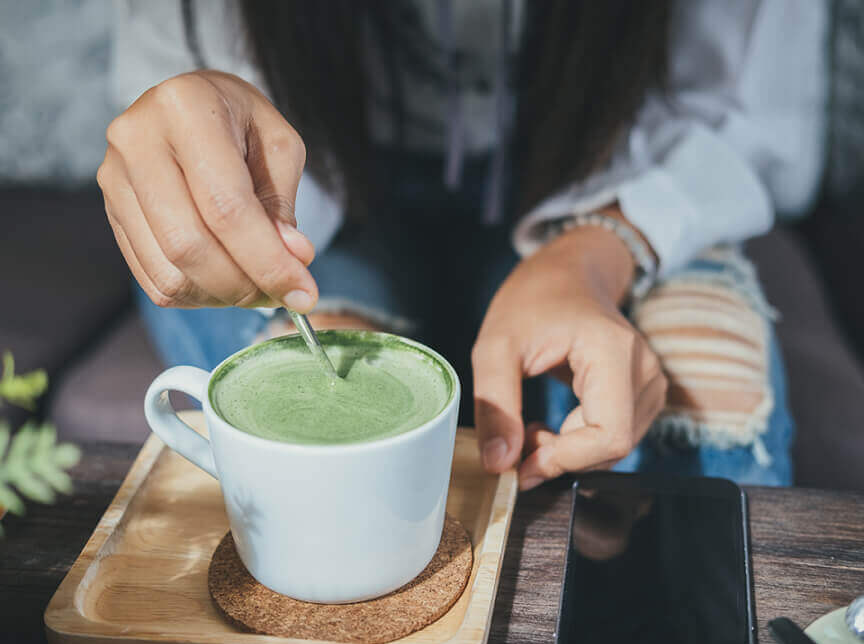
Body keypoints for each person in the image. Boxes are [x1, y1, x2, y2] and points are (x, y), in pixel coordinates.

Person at [98, 0, 827, 489]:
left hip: (607, 171)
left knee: (692, 427)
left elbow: (747, 114)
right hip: (330, 193)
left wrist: (596, 248)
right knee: (317, 457)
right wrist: (219, 131)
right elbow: (204, 131)